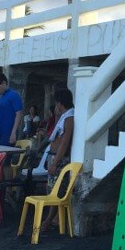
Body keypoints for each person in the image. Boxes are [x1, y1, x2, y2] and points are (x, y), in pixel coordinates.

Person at [41, 88, 74, 231]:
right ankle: (53, 219)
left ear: (59, 103)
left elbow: (64, 142)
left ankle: (48, 221)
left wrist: (54, 163)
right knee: (50, 189)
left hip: (58, 159)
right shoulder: (64, 116)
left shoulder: (69, 118)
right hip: (53, 156)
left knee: (56, 190)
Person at [0, 73, 23, 146]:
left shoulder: (14, 95)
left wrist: (13, 132)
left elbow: (19, 113)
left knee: (4, 156)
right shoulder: (1, 97)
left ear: (4, 83)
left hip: (8, 134)